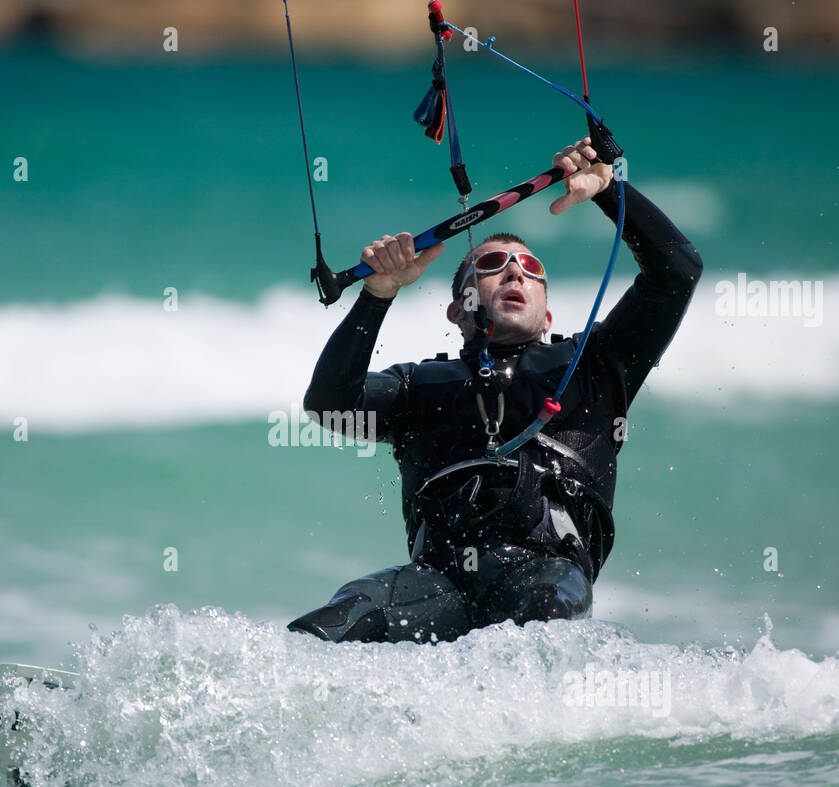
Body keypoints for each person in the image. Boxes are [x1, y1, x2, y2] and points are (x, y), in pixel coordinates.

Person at [288, 138, 702, 643]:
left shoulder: (594, 367)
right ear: (457, 308)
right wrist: (377, 296)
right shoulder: (416, 387)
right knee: (328, 628)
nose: (513, 271)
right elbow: (331, 405)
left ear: (547, 313)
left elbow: (676, 272)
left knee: (542, 616)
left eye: (531, 270)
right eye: (491, 266)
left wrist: (607, 191)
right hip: (435, 584)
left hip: (547, 572)